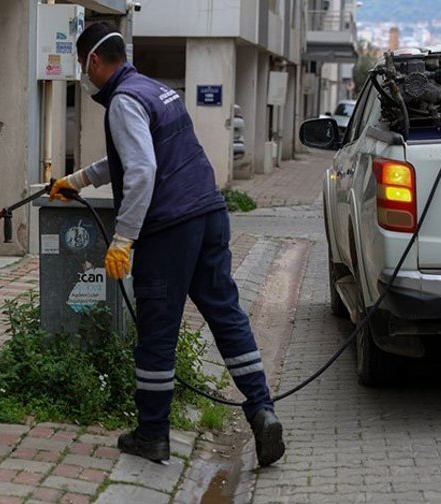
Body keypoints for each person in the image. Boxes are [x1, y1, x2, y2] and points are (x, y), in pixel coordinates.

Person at [50, 21, 285, 467]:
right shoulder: (154, 90)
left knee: (158, 331)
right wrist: (78, 179)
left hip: (169, 228)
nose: (85, 74)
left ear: (94, 61)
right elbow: (131, 156)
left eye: (83, 66)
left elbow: (141, 171)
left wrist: (123, 238)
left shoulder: (122, 101)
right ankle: (261, 409)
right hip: (209, 214)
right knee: (226, 315)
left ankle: (153, 435)